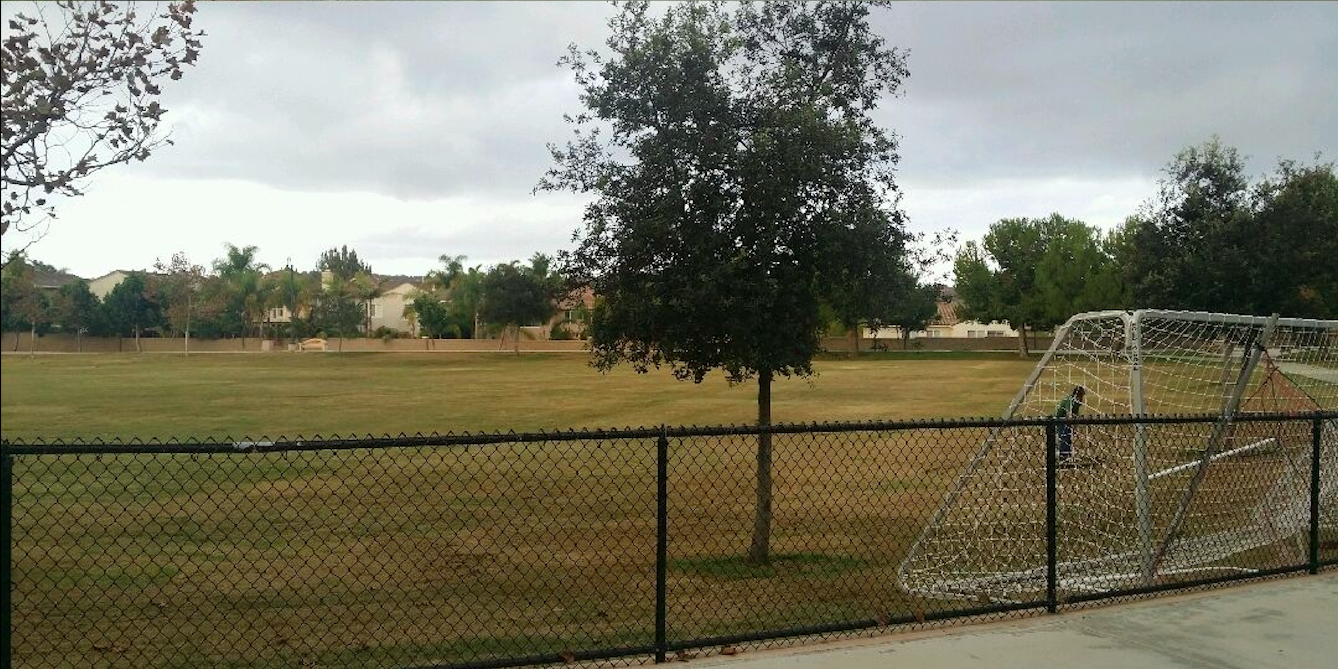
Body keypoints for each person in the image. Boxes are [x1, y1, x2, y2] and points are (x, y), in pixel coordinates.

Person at [1054, 385, 1085, 463]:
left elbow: (1076, 412)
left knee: (1069, 437)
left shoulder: (1078, 402)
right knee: (1064, 436)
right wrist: (1072, 421)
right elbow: (1068, 413)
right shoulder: (1070, 400)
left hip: (1067, 421)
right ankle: (1062, 456)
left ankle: (1067, 454)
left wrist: (1075, 425)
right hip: (1060, 419)